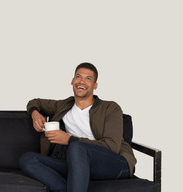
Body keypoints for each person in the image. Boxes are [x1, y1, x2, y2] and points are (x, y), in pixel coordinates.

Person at [19, 62, 137, 192]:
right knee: (28, 158)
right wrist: (35, 113)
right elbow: (35, 102)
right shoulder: (64, 105)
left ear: (95, 86)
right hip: (77, 165)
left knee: (76, 147)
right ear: (72, 81)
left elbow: (112, 146)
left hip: (114, 164)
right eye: (78, 76)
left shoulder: (110, 108)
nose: (82, 81)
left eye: (88, 78)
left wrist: (69, 140)